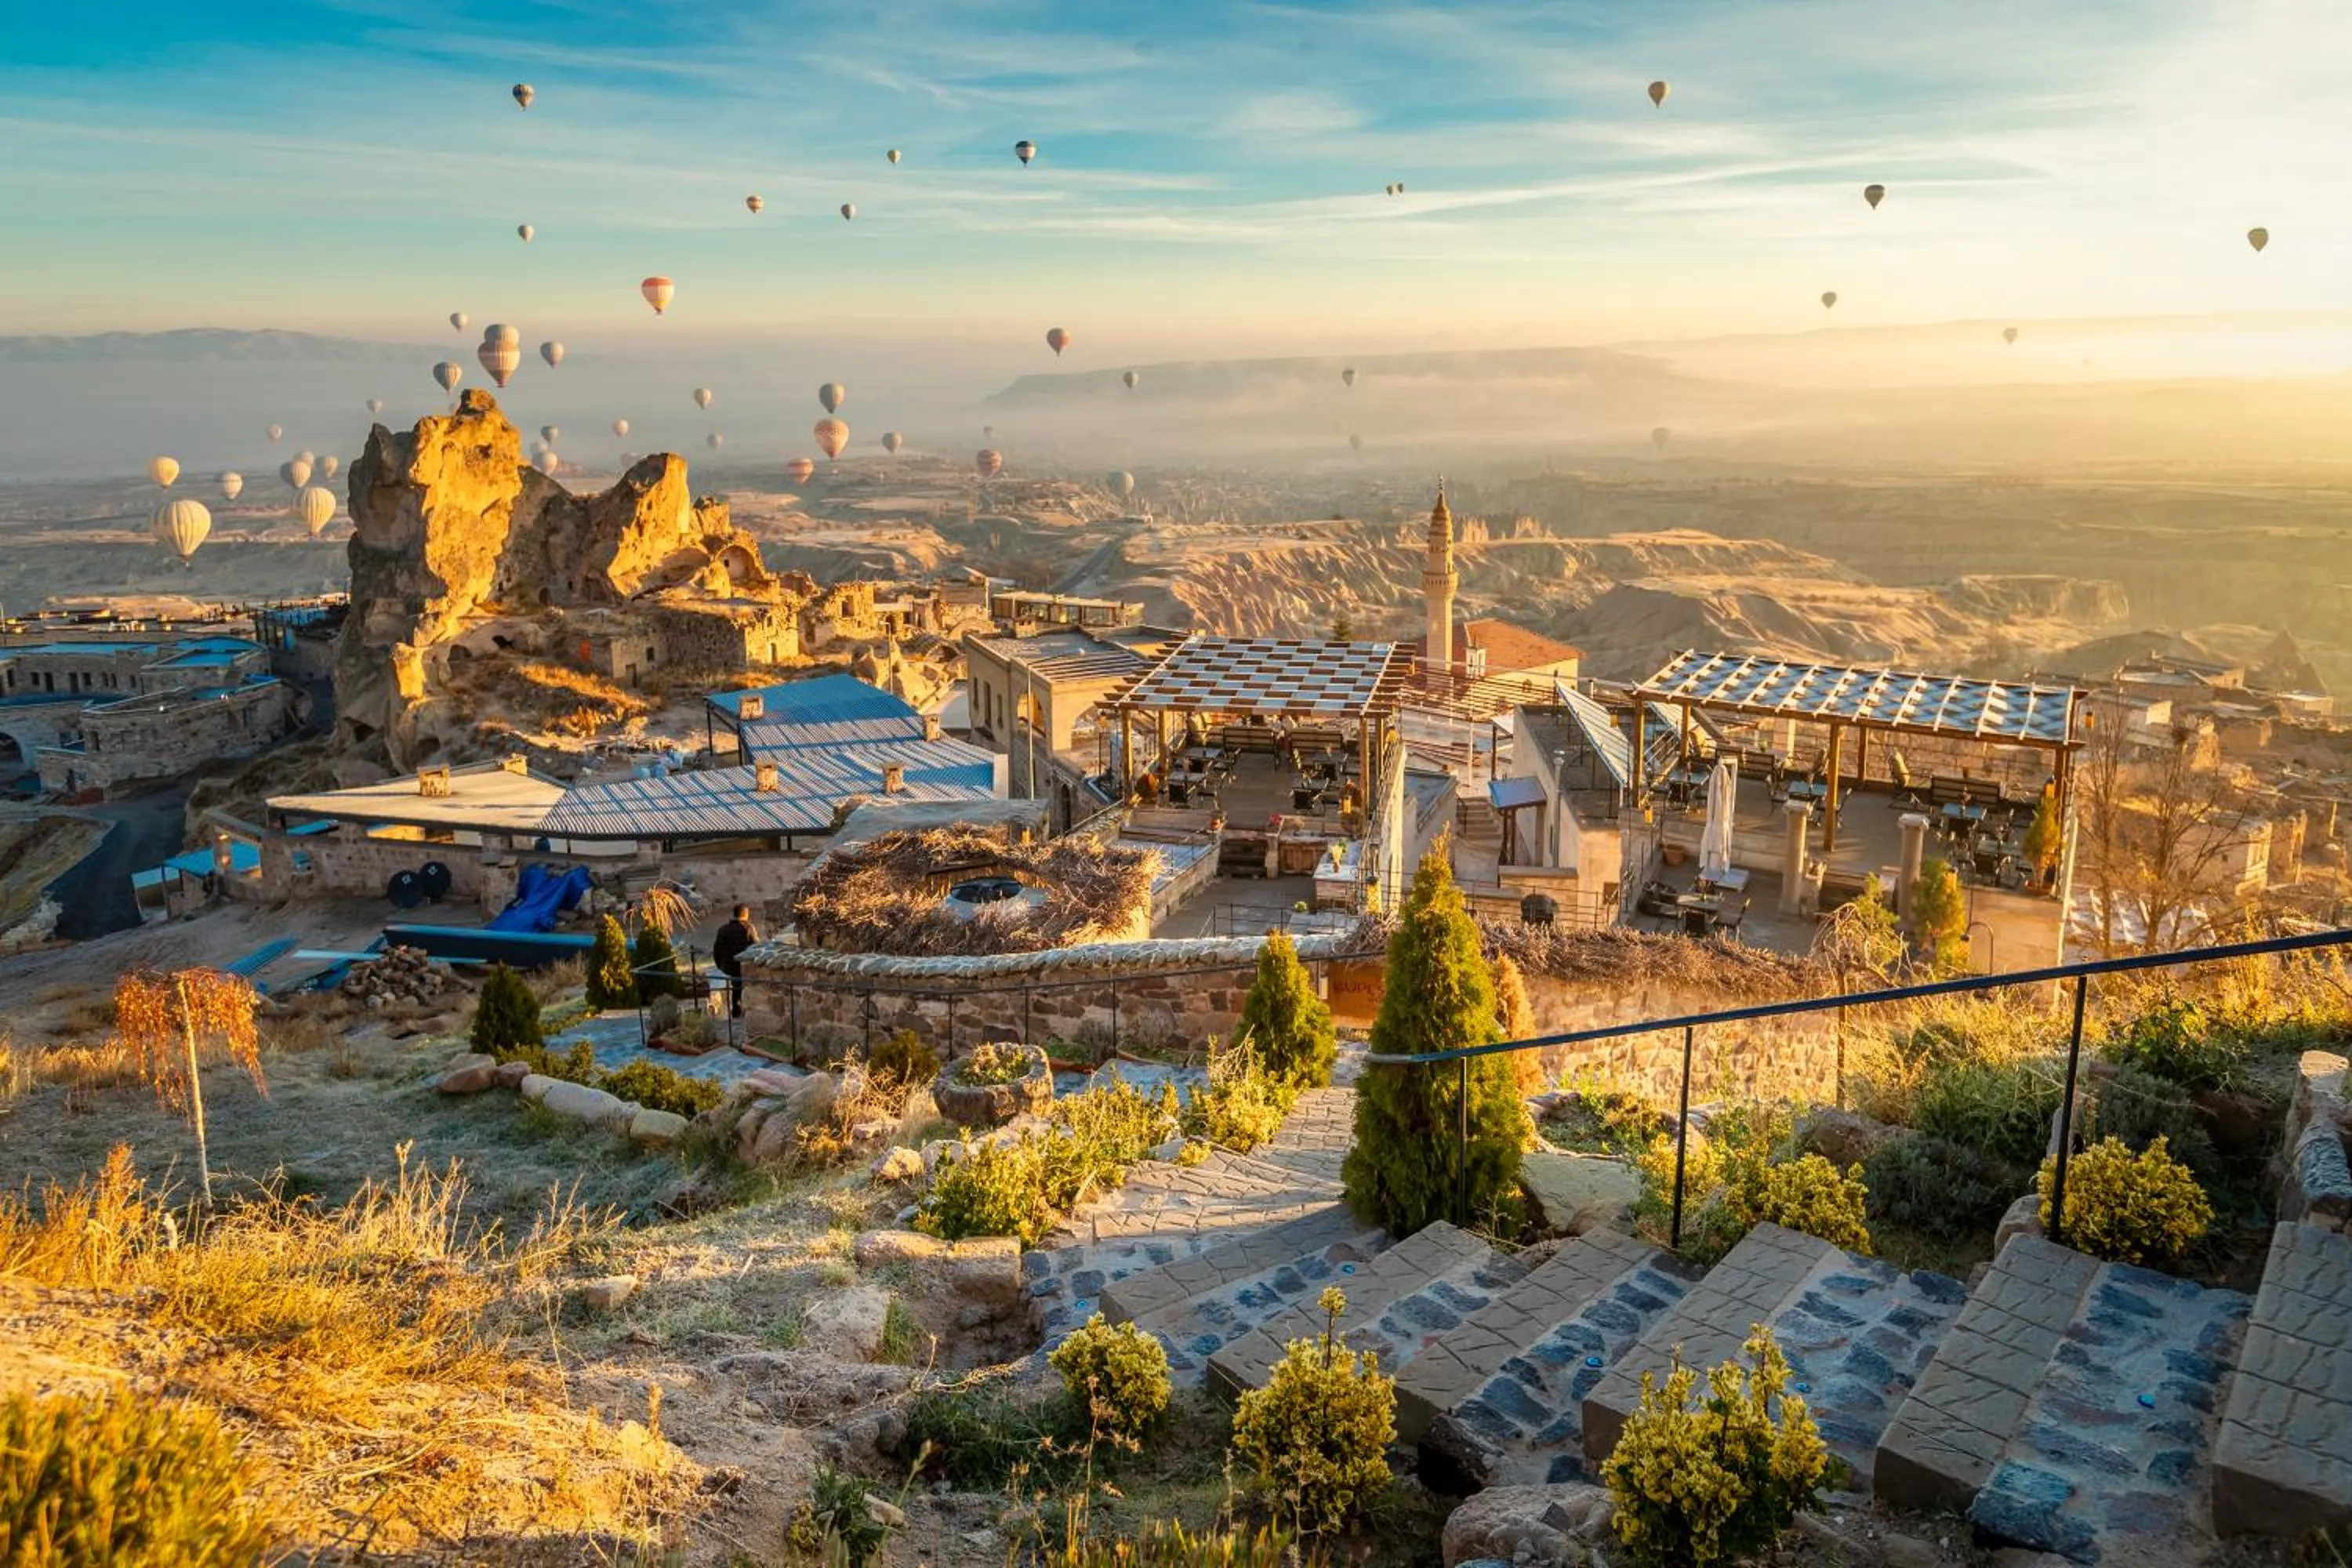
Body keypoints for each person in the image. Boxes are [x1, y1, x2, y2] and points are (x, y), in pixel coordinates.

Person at [713, 904, 758, 1019]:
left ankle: (736, 1013)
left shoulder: (723, 930)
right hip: (743, 966)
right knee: (741, 985)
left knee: (736, 986)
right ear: (746, 915)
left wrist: (720, 966)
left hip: (727, 966)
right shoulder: (748, 928)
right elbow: (757, 947)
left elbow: (717, 950)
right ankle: (743, 1012)